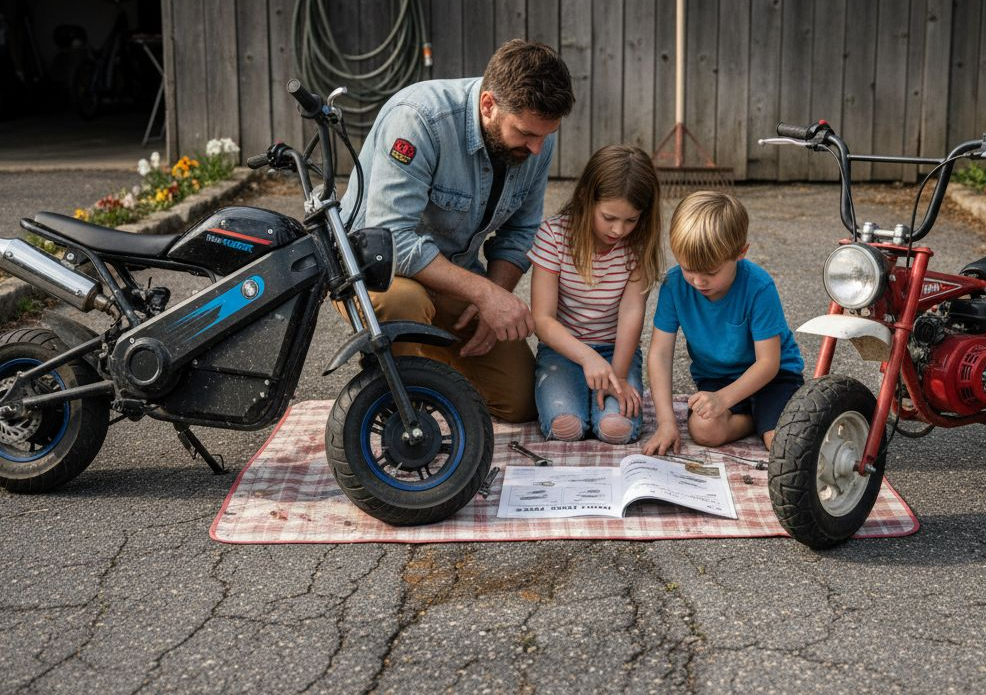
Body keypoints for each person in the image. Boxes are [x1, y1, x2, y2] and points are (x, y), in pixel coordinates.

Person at [339, 39, 574, 422]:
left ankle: (427, 360)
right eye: (526, 134)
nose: (537, 149)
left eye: (545, 135)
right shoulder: (418, 119)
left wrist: (493, 300)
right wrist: (485, 293)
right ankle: (405, 404)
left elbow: (520, 233)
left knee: (520, 401)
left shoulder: (537, 139)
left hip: (450, 272)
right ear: (488, 106)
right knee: (406, 304)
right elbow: (392, 238)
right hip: (376, 270)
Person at [641, 191, 805, 457]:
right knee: (703, 430)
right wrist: (666, 422)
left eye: (710, 272)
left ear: (741, 253)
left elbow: (768, 363)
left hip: (772, 379)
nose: (697, 281)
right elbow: (659, 354)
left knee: (780, 443)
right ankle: (757, 420)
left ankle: (766, 421)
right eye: (688, 268)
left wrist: (724, 400)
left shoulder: (759, 286)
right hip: (716, 377)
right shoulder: (674, 286)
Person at [528, 145, 663, 444]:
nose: (619, 230)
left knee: (616, 428)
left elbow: (631, 312)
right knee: (566, 427)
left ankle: (606, 399)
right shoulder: (553, 236)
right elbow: (542, 319)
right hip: (563, 352)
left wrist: (616, 372)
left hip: (616, 351)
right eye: (609, 217)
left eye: (631, 220)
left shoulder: (637, 246)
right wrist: (587, 358)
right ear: (585, 199)